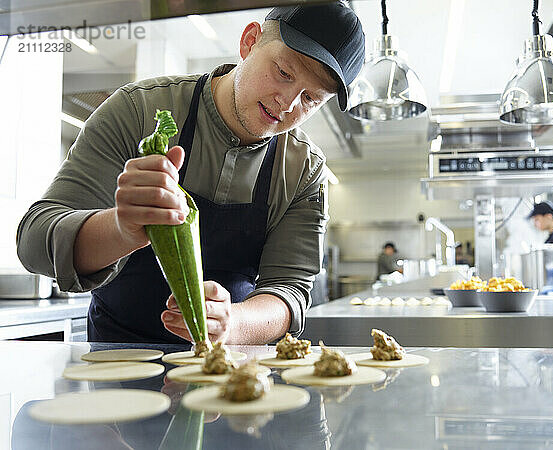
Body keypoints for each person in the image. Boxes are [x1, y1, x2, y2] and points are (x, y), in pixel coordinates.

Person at [16, 3, 365, 344]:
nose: (287, 103)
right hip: (117, 365)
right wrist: (121, 230)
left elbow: (288, 292)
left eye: (310, 100)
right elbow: (34, 243)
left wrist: (234, 323)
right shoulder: (139, 110)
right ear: (249, 41)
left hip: (229, 375)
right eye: (284, 73)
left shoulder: (304, 171)